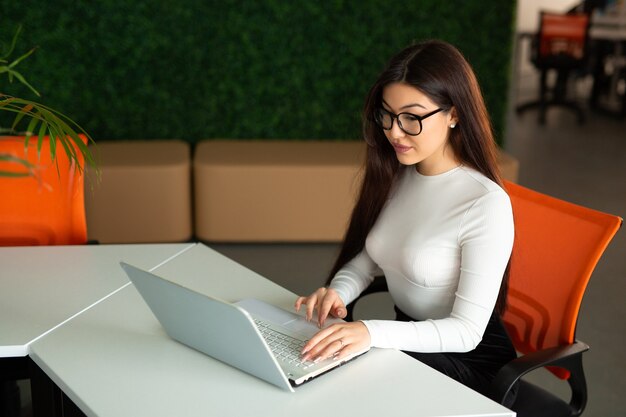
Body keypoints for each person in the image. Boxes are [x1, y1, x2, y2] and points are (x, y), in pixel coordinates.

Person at [294, 39, 516, 397]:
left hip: (469, 364)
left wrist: (371, 332)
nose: (394, 131)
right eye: (387, 114)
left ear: (455, 114)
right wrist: (337, 293)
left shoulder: (486, 204)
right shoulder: (398, 172)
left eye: (412, 117)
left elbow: (466, 331)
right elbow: (367, 260)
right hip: (409, 342)